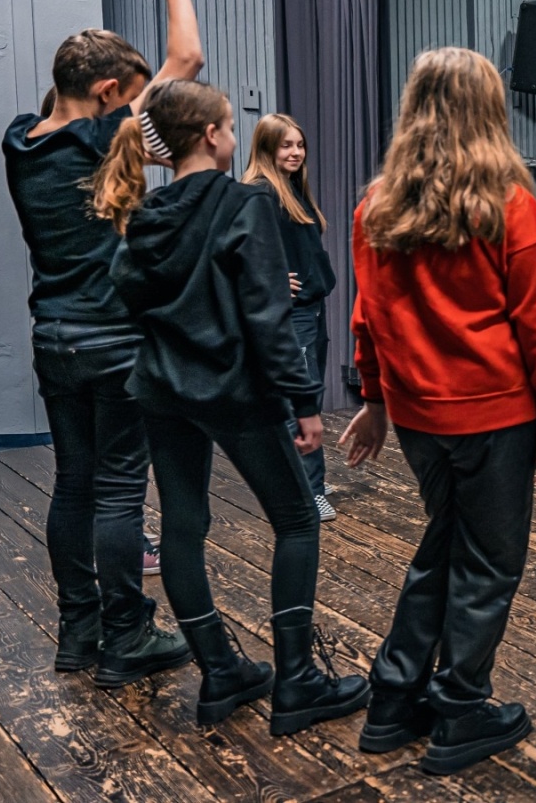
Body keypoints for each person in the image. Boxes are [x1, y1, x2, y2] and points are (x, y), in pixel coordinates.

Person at [96, 79, 369, 734]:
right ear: (214, 135)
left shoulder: (147, 214)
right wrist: (305, 403)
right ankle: (297, 681)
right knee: (298, 520)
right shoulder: (244, 203)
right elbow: (269, 318)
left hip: (162, 392)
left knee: (185, 526)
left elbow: (124, 292)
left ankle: (221, 671)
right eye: (226, 124)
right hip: (234, 392)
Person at [339, 47, 536, 776]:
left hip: (418, 420)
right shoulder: (508, 202)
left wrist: (375, 400)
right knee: (489, 564)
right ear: (489, 110)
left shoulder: (376, 206)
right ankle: (461, 707)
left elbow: (366, 318)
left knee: (442, 546)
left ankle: (393, 697)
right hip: (496, 414)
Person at [0, 0, 199, 686]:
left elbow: (69, 92)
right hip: (116, 339)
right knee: (119, 489)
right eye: (131, 93)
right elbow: (188, 55)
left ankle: (74, 634)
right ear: (111, 93)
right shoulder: (106, 140)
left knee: (74, 484)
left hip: (53, 338)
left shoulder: (20, 141)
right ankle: (127, 636)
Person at [243, 114, 339, 521]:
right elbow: (232, 254)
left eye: (299, 145)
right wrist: (270, 281)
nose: (296, 152)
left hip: (312, 312)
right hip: (291, 316)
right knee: (300, 406)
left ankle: (305, 479)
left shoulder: (293, 192)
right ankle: (308, 492)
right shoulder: (260, 194)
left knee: (307, 399)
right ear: (266, 148)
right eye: (286, 145)